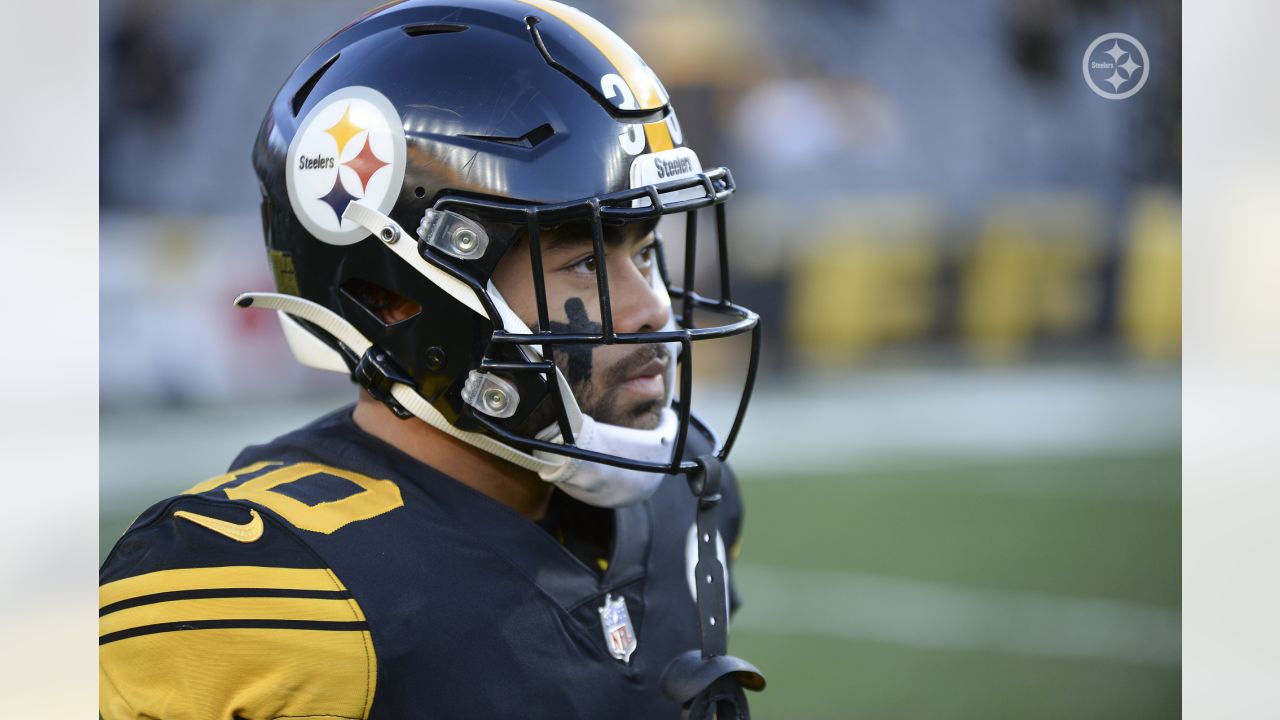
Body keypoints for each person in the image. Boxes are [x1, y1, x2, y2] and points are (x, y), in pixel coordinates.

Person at [99, 1, 764, 717]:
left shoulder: (684, 495)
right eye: (582, 266)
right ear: (395, 297)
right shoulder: (253, 585)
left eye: (646, 251)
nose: (651, 308)